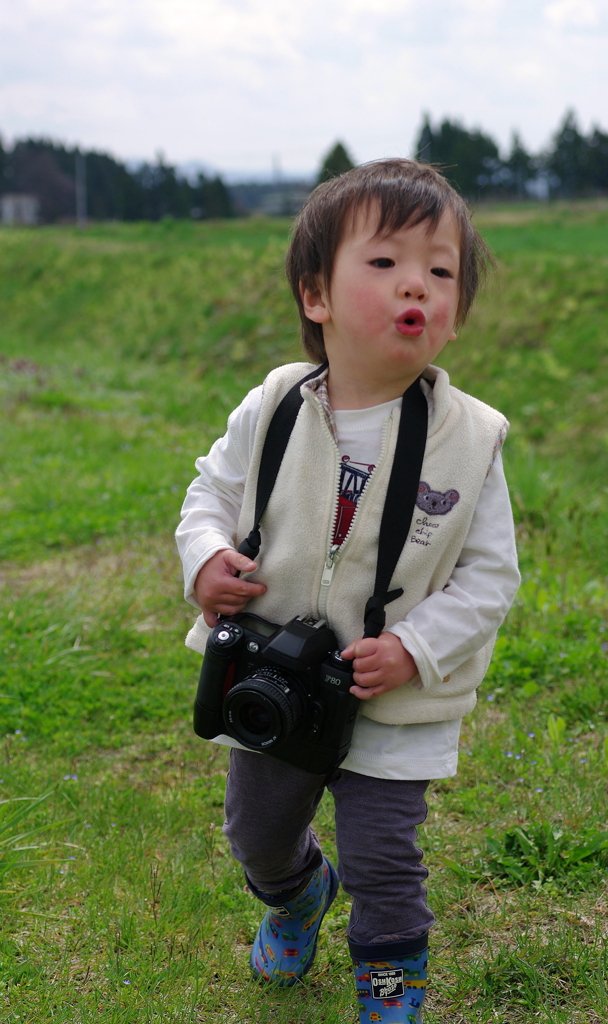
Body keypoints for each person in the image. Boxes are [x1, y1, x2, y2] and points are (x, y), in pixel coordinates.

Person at [176, 159, 520, 1023]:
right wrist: (206, 557)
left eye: (441, 272)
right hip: (272, 679)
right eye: (385, 262)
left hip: (392, 697)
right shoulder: (277, 404)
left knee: (384, 865)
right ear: (314, 295)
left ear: (454, 314)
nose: (418, 285)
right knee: (256, 836)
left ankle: (390, 994)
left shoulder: (469, 441)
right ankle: (296, 895)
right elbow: (209, 495)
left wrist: (416, 648)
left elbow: (490, 577)